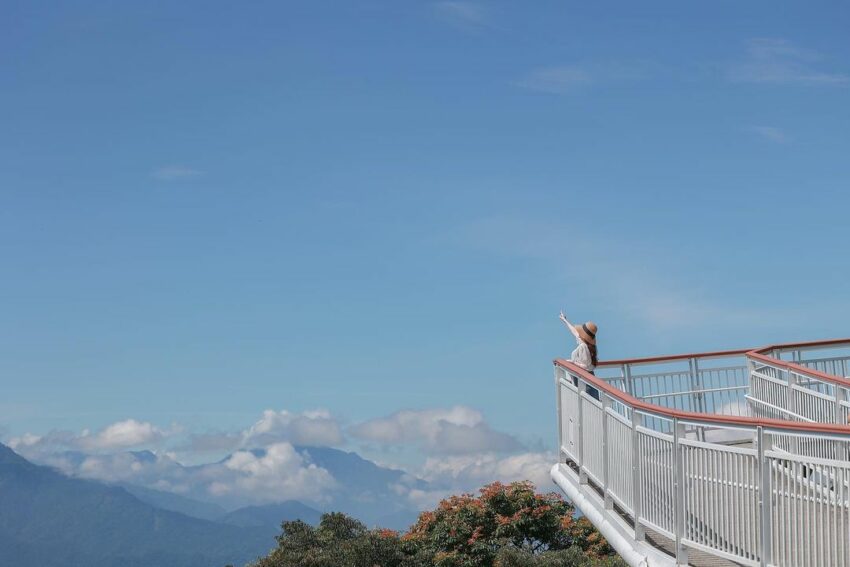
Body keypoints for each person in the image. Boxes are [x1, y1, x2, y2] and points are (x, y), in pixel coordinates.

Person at [559, 312, 599, 399]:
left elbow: (585, 366)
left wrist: (572, 362)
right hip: (589, 377)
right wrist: (565, 320)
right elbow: (574, 331)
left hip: (584, 379)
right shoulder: (589, 345)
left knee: (587, 402)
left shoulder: (583, 346)